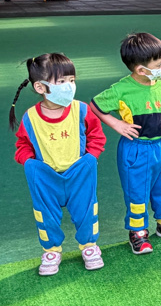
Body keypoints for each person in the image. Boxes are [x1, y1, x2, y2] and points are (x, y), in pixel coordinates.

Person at [91, 32, 161, 255]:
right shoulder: (121, 90)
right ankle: (137, 232)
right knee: (137, 192)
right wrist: (116, 124)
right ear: (141, 70)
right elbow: (95, 106)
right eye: (159, 64)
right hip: (136, 150)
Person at [10, 53, 106, 275]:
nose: (69, 86)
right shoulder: (30, 118)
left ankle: (89, 246)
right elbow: (22, 145)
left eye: (72, 80)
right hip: (46, 177)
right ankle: (51, 251)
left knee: (86, 211)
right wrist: (29, 163)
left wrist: (91, 157)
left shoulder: (82, 110)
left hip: (80, 173)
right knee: (45, 215)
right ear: (40, 87)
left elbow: (96, 135)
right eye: (61, 81)